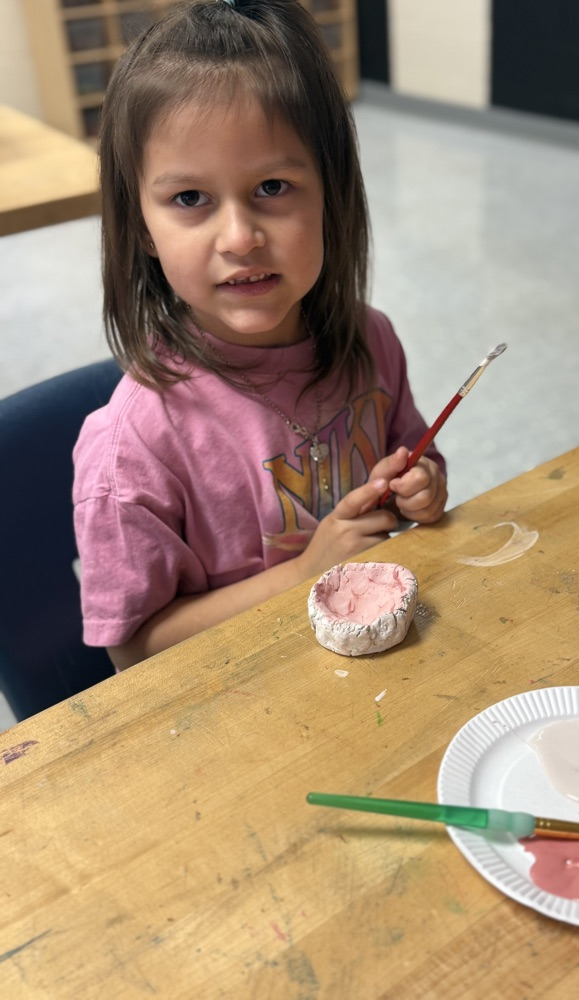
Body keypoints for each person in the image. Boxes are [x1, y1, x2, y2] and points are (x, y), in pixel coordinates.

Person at [73, 0, 448, 671]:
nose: (241, 238)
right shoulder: (132, 446)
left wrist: (421, 483)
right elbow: (133, 651)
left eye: (273, 186)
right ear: (140, 229)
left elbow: (413, 457)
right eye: (190, 199)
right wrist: (307, 570)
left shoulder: (372, 341)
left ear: (331, 197)